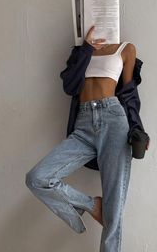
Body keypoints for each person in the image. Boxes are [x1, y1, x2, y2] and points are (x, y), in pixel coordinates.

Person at [25, 25, 139, 252]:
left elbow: (129, 94)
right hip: (84, 124)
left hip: (115, 121)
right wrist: (86, 47)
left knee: (114, 210)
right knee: (37, 177)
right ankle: (91, 205)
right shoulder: (80, 51)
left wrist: (138, 129)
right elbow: (69, 86)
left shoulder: (126, 49)